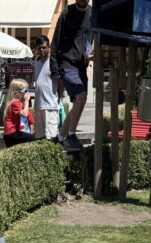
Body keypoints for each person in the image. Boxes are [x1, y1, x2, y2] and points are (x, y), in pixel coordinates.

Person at [52, 0, 92, 150]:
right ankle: (71, 136)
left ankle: (60, 137)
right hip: (67, 64)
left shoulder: (93, 14)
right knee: (80, 96)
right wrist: (55, 71)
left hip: (82, 67)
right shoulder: (66, 14)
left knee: (79, 102)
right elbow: (55, 43)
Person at [32, 35, 61, 141]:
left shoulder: (54, 63)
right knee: (39, 138)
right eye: (39, 48)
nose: (41, 50)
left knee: (51, 138)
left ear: (49, 47)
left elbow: (60, 82)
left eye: (44, 47)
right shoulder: (37, 65)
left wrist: (59, 98)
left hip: (50, 106)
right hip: (38, 106)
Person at [2, 79, 34, 148]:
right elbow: (24, 114)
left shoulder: (15, 102)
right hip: (12, 134)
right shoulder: (15, 102)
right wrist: (27, 101)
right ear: (17, 92)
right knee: (33, 140)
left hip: (10, 134)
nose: (27, 93)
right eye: (25, 91)